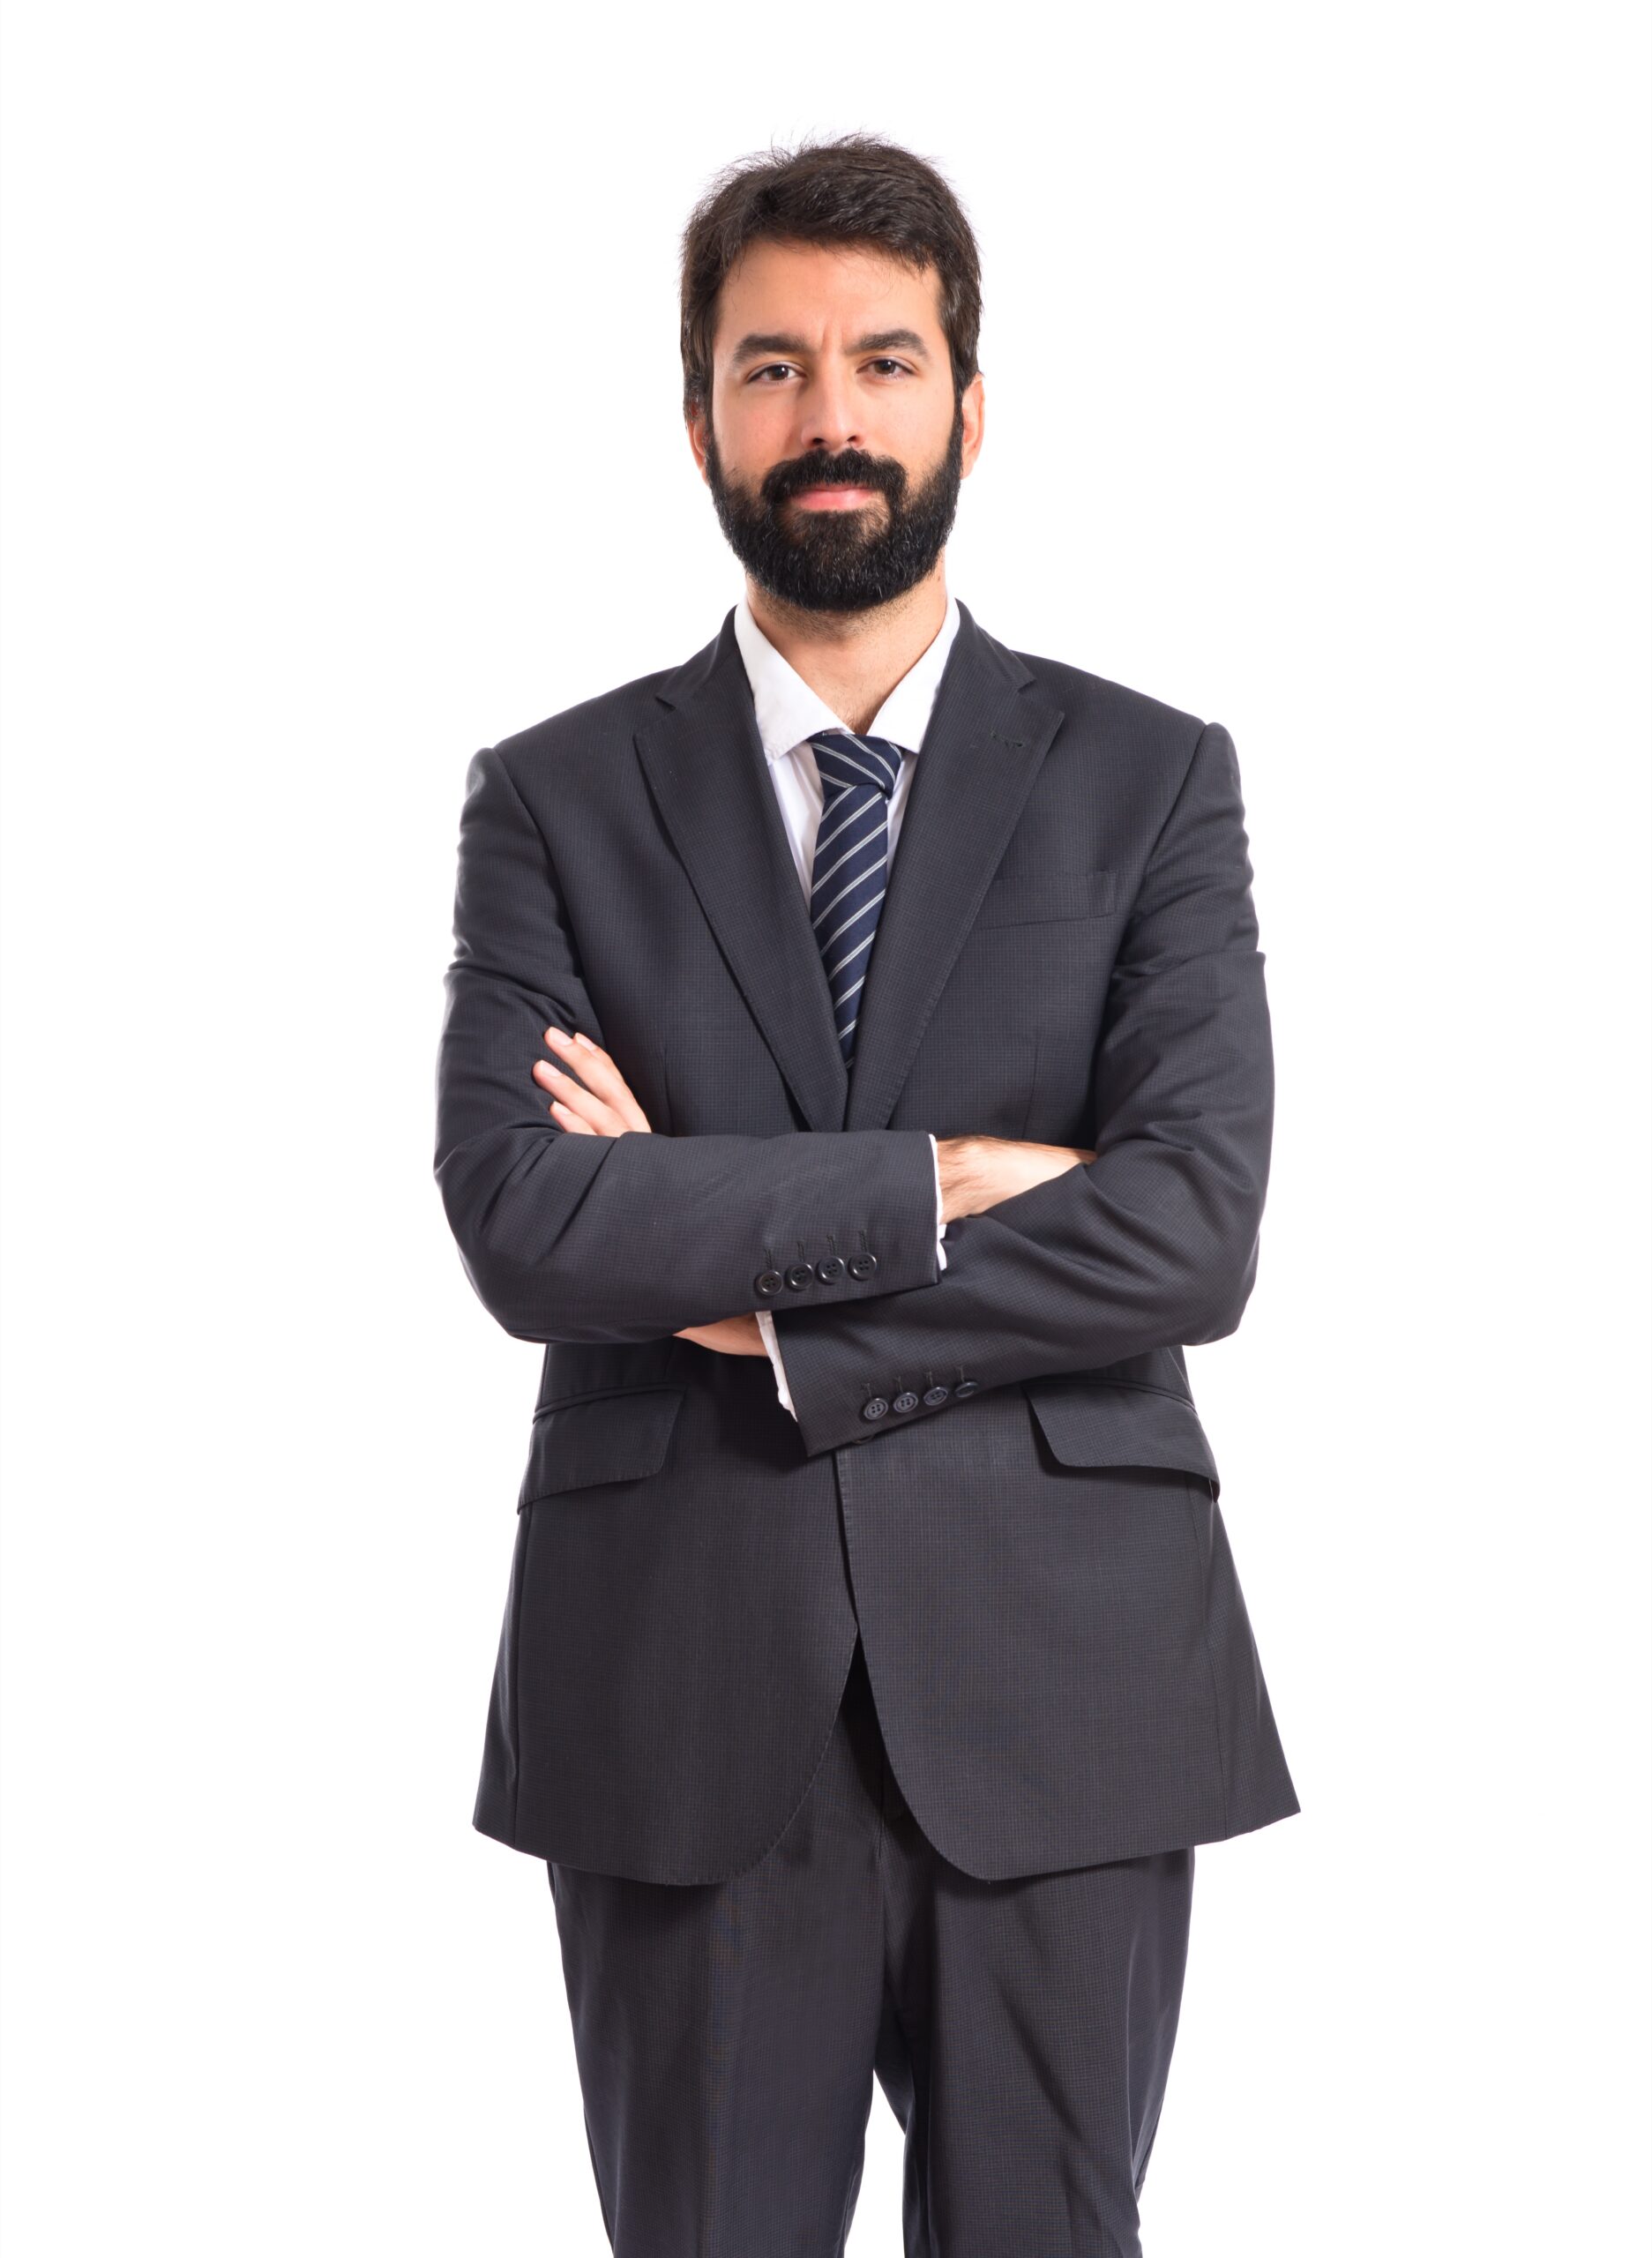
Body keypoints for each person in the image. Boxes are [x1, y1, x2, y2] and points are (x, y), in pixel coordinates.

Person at [434, 131, 1298, 2258]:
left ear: (968, 407)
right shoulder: (552, 794)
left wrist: (762, 1280)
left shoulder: (1148, 775)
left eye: (885, 362)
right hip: (680, 1688)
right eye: (773, 366)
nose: (831, 417)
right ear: (700, 412)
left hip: (1069, 1679)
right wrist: (941, 1181)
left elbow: (1190, 1226)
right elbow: (527, 1220)